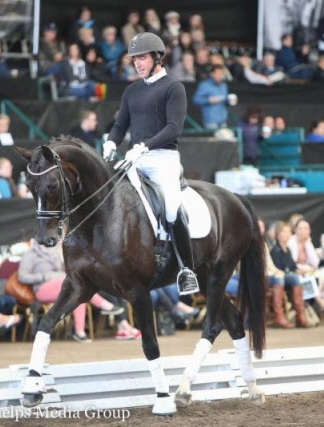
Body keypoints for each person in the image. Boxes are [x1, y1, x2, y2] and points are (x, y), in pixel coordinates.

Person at [102, 32, 198, 295]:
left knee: (170, 208)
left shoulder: (173, 87)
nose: (137, 64)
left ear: (157, 58)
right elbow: (120, 125)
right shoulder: (132, 90)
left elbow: (173, 128)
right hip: (135, 158)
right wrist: (111, 142)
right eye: (134, 60)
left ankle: (186, 269)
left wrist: (143, 146)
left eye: (142, 58)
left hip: (163, 158)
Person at [18, 240, 123, 343]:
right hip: (41, 289)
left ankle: (79, 332)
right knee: (75, 288)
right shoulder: (30, 255)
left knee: (78, 294)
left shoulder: (54, 253)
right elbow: (22, 276)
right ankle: (105, 305)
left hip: (58, 284)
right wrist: (45, 276)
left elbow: (64, 270)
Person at [269, 221, 307, 328]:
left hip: (287, 277)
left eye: (289, 231)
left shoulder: (288, 250)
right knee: (292, 278)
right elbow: (277, 269)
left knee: (295, 278)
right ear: (278, 234)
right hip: (277, 278)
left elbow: (293, 267)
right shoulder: (275, 250)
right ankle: (279, 315)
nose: (288, 234)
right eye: (284, 232)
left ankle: (300, 315)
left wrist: (303, 270)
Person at [193, 65, 233, 129]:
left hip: (223, 120)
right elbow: (196, 100)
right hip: (210, 121)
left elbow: (224, 100)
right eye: (218, 73)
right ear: (212, 74)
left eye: (222, 73)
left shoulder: (224, 85)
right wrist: (208, 100)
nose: (220, 76)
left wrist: (229, 101)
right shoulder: (204, 85)